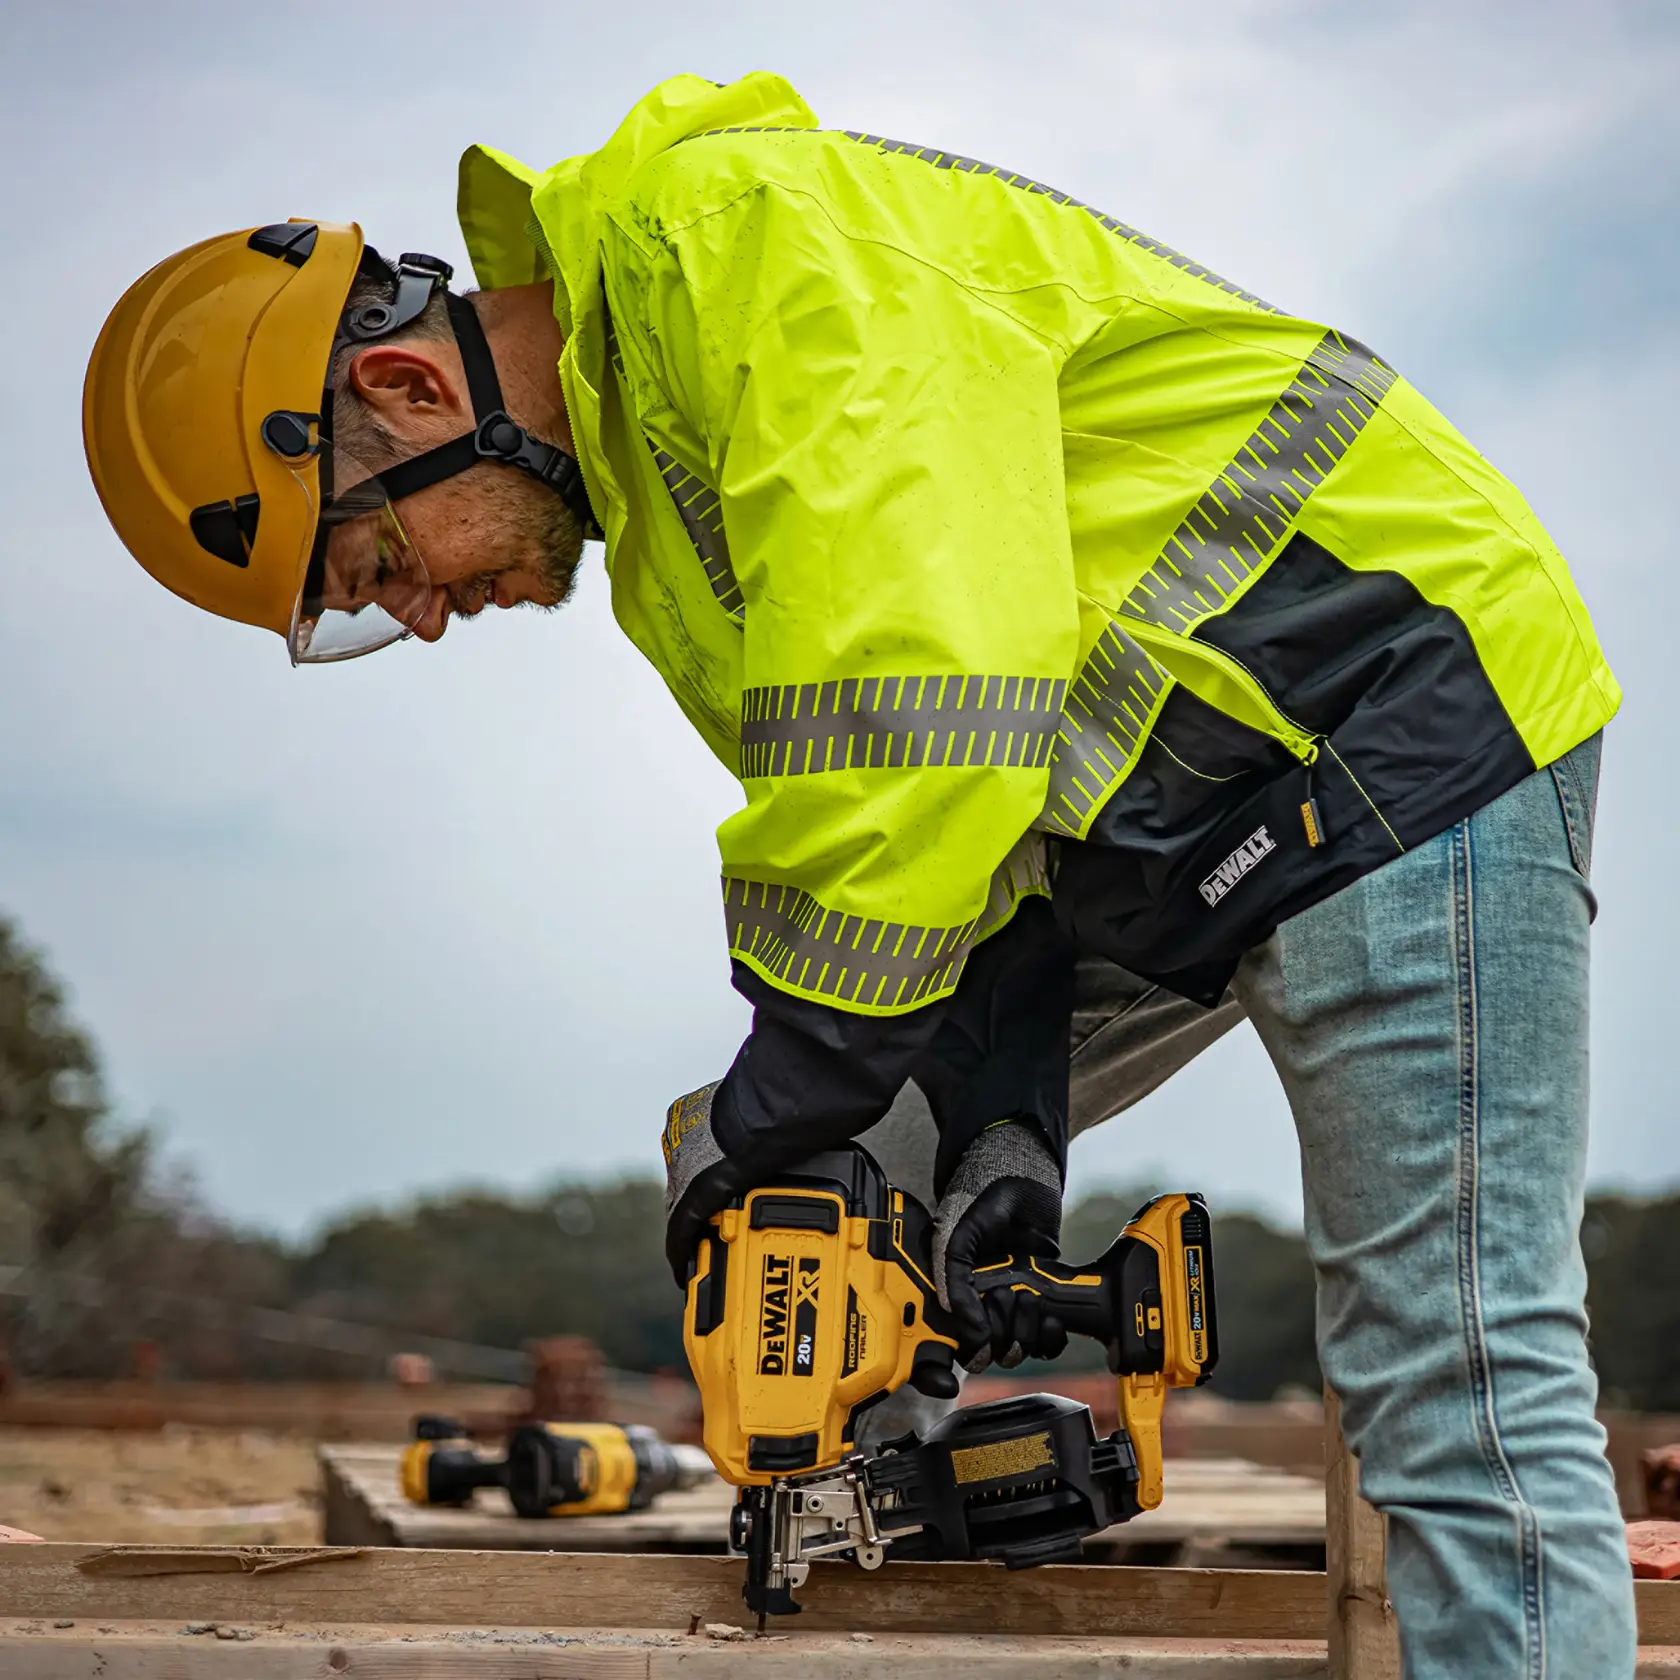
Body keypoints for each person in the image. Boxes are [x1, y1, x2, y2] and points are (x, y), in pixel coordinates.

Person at [83, 71, 1633, 1677]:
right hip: (1186, 811)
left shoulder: (743, 257)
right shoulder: (663, 497)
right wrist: (999, 1106)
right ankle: (861, 1494)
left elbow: (924, 704)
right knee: (859, 1169)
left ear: (409, 387)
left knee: (1451, 1379)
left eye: (376, 563)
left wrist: (779, 1111)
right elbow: (964, 842)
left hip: (1385, 712)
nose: (413, 615)